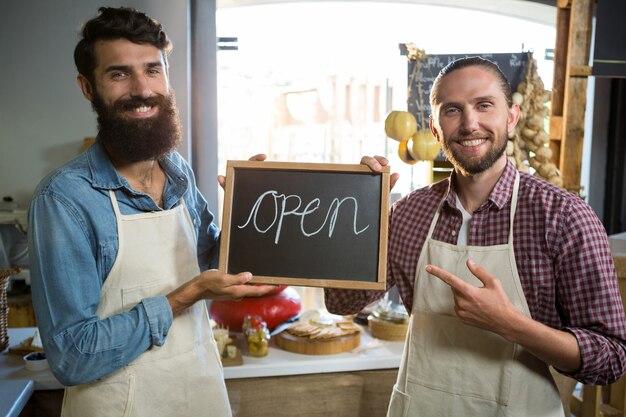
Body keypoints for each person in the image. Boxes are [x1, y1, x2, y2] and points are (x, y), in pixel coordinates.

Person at [325, 57, 626, 416]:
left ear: (511, 116)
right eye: (452, 110)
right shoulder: (407, 213)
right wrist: (354, 211)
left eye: (484, 105)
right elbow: (340, 302)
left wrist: (512, 325)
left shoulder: (564, 217)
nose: (470, 124)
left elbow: (611, 358)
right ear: (436, 129)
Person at [28, 7, 274, 417]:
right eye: (119, 73)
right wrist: (187, 295)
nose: (142, 89)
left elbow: (213, 265)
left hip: (199, 395)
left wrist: (251, 212)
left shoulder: (177, 170)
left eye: (153, 69)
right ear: (88, 87)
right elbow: (72, 357)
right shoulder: (64, 199)